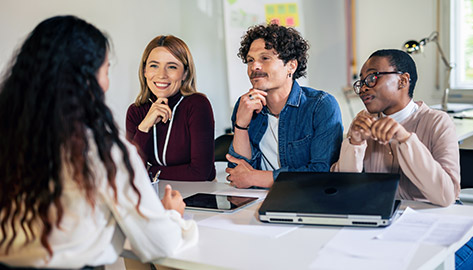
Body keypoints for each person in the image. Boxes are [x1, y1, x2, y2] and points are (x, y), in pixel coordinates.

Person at [0, 16, 197, 269]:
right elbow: (158, 243)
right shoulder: (102, 150)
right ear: (88, 79)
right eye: (106, 69)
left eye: (171, 66)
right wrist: (172, 214)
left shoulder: (9, 139)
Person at [331, 49, 473, 269]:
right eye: (361, 82)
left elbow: (446, 196)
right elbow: (342, 190)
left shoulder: (437, 122)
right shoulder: (364, 123)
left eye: (372, 78)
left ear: (402, 80)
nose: (363, 88)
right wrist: (354, 142)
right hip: (390, 229)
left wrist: (405, 139)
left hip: (445, 227)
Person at [226, 24, 343, 189]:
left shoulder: (320, 106)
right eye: (250, 60)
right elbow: (237, 173)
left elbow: (321, 172)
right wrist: (241, 125)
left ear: (291, 66)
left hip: (305, 200)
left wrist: (255, 178)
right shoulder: (245, 104)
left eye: (265, 58)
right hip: (255, 200)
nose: (254, 67)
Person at [126, 35, 215, 181]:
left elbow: (200, 172)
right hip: (155, 196)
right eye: (154, 65)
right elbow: (129, 171)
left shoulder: (197, 105)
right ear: (144, 71)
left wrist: (149, 171)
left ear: (185, 73)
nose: (162, 75)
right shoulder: (136, 111)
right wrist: (144, 127)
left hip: (197, 194)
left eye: (172, 67)